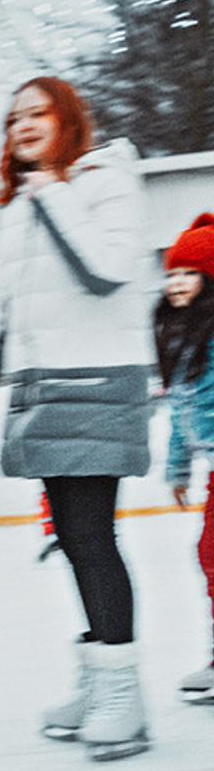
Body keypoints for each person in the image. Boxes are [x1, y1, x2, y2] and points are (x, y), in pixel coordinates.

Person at [0, 76, 154, 761]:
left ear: (68, 119)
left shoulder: (105, 181)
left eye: (38, 113)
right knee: (70, 537)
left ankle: (124, 692)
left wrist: (52, 189)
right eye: (14, 118)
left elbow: (107, 268)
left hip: (99, 382)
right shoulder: (18, 209)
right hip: (43, 390)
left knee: (92, 536)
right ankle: (101, 675)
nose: (24, 126)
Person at [154, 213, 214, 702]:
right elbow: (179, 409)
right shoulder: (180, 336)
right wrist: (177, 467)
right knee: (208, 556)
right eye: (171, 273)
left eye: (188, 273)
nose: (176, 283)